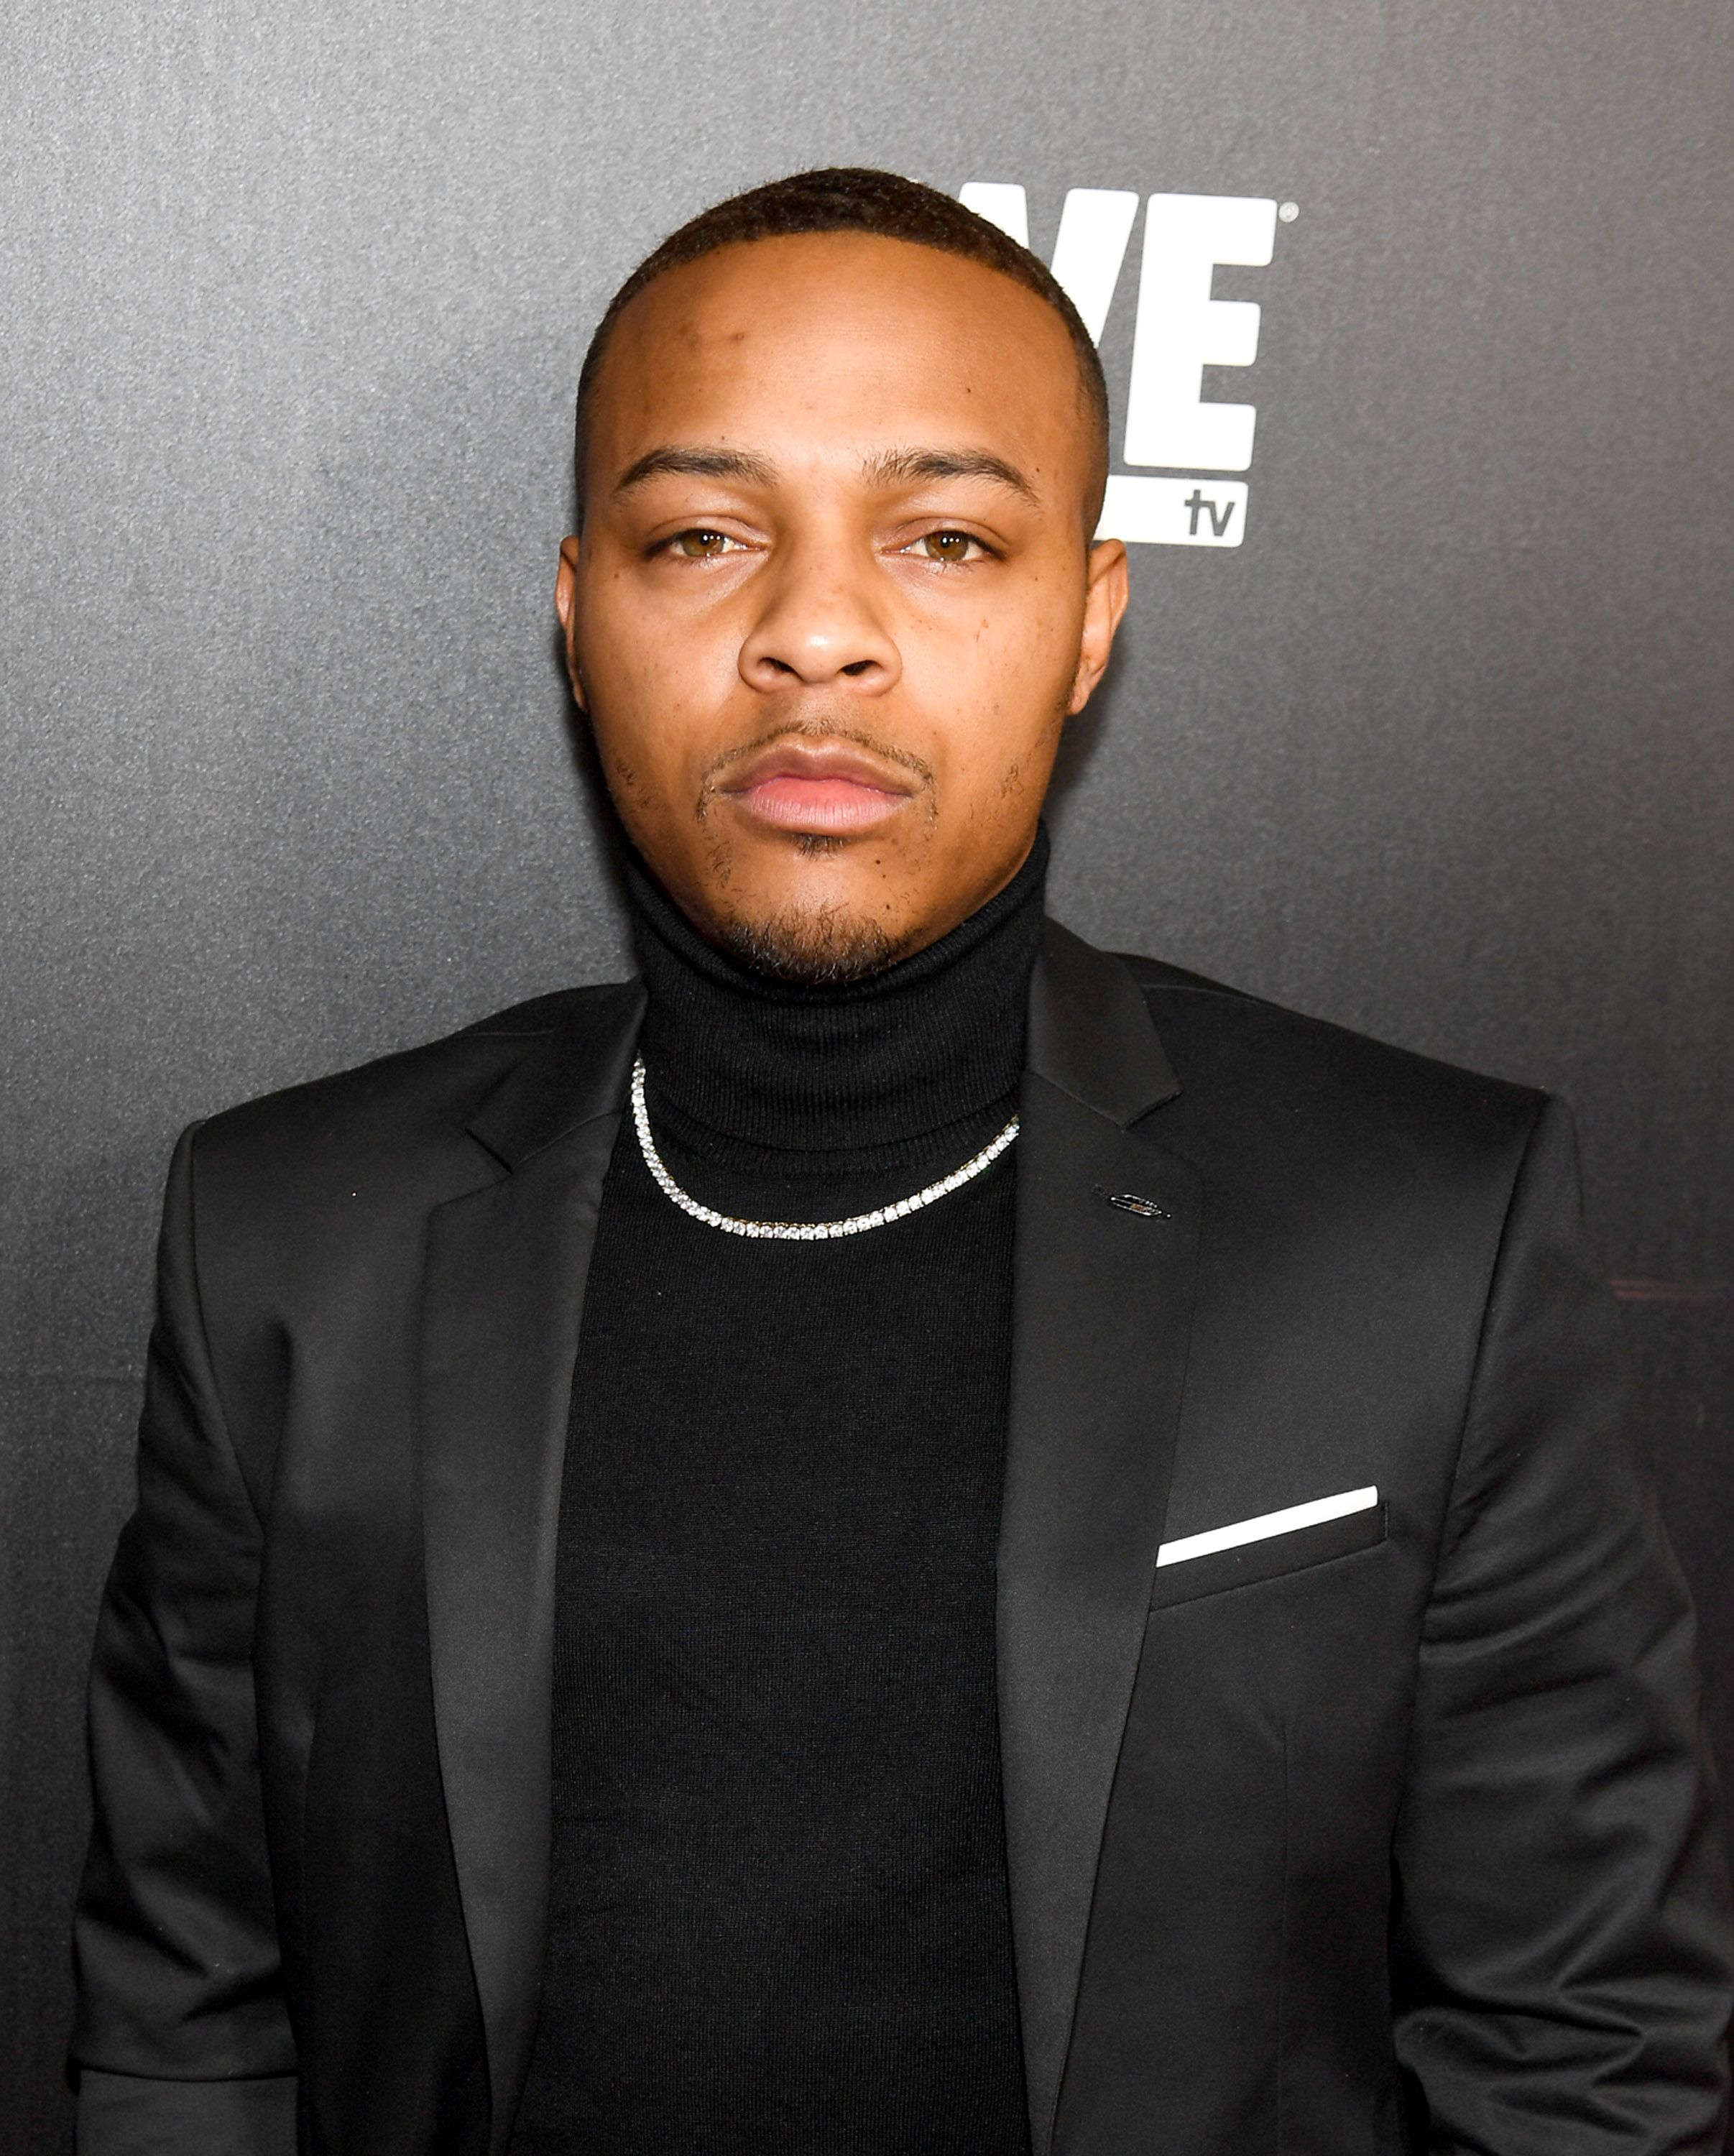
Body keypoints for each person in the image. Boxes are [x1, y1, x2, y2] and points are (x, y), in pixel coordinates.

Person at [70, 166, 1732, 2156]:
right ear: (579, 613)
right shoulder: (286, 1235)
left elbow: (1585, 2050)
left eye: (944, 538)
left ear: (1088, 621)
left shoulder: (1421, 1225)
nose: (818, 633)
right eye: (701, 535)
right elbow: (193, 2003)